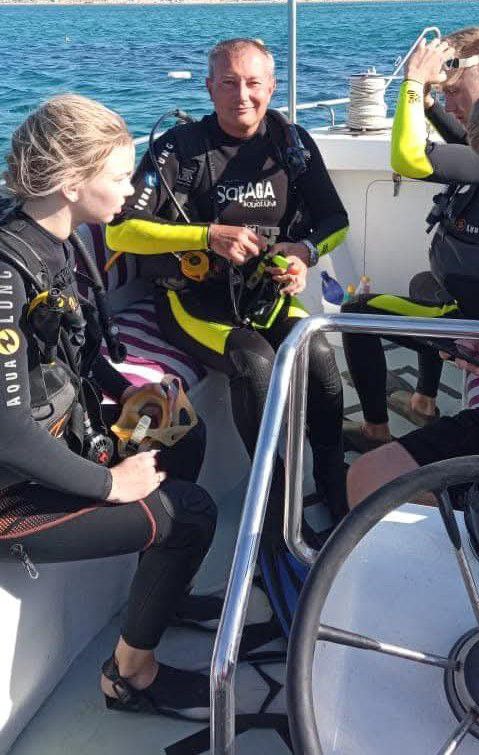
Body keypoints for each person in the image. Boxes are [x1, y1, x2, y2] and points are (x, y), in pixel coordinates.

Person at [0, 94, 216, 720]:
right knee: (192, 514)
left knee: (183, 427)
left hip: (59, 438)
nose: (131, 189)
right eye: (120, 176)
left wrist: (126, 391)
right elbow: (5, 428)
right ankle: (129, 677)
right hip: (13, 493)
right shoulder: (7, 272)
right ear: (71, 183)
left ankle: (161, 594)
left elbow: (76, 346)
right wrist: (111, 484)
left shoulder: (57, 242)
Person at [106, 38, 350, 538]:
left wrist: (303, 254)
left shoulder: (292, 144)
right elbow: (120, 231)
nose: (243, 95)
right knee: (254, 362)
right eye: (229, 83)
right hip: (191, 300)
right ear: (210, 88)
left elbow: (335, 220)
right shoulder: (179, 148)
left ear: (272, 87)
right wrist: (207, 236)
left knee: (319, 352)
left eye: (254, 83)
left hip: (264, 293)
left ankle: (331, 475)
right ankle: (275, 503)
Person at [347, 47, 479, 511]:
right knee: (423, 284)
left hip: (465, 321)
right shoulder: (474, 149)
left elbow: (408, 158)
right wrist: (427, 106)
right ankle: (423, 402)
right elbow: (466, 142)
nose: (450, 103)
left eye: (456, 91)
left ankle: (375, 432)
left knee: (357, 316)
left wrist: (412, 84)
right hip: (460, 303)